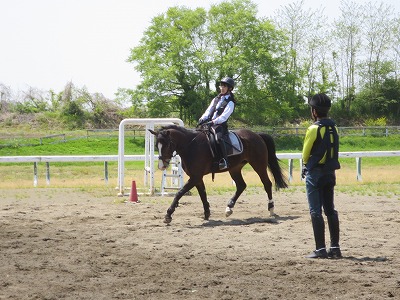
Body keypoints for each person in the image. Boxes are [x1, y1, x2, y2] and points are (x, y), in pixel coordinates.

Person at [302, 93, 342, 259]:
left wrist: (306, 165)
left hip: (315, 173)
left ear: (314, 112)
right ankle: (335, 248)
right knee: (330, 210)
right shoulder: (334, 127)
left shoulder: (313, 129)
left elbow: (305, 154)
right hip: (330, 173)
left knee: (315, 211)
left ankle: (320, 249)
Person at [198, 77, 236, 170]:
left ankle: (224, 160)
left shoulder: (230, 102)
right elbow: (208, 110)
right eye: (221, 86)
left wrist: (213, 122)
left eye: (224, 86)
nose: (222, 88)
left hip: (220, 125)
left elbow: (224, 117)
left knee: (218, 139)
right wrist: (202, 118)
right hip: (209, 123)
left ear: (229, 88)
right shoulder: (216, 98)